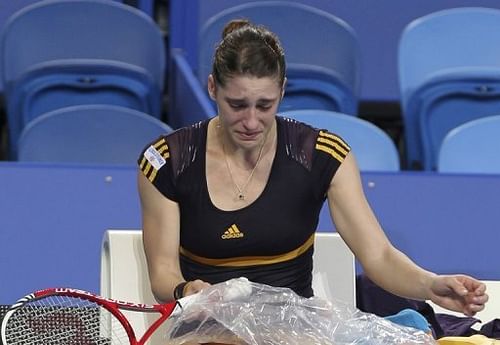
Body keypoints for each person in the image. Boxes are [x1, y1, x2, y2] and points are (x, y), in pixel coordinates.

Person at [137, 19, 488, 319]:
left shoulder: (322, 156)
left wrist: (430, 284)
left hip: (293, 331)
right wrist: (188, 289)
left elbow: (378, 256)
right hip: (204, 328)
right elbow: (163, 274)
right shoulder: (168, 161)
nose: (251, 121)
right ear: (212, 87)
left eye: (265, 105)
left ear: (283, 91)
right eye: (237, 105)